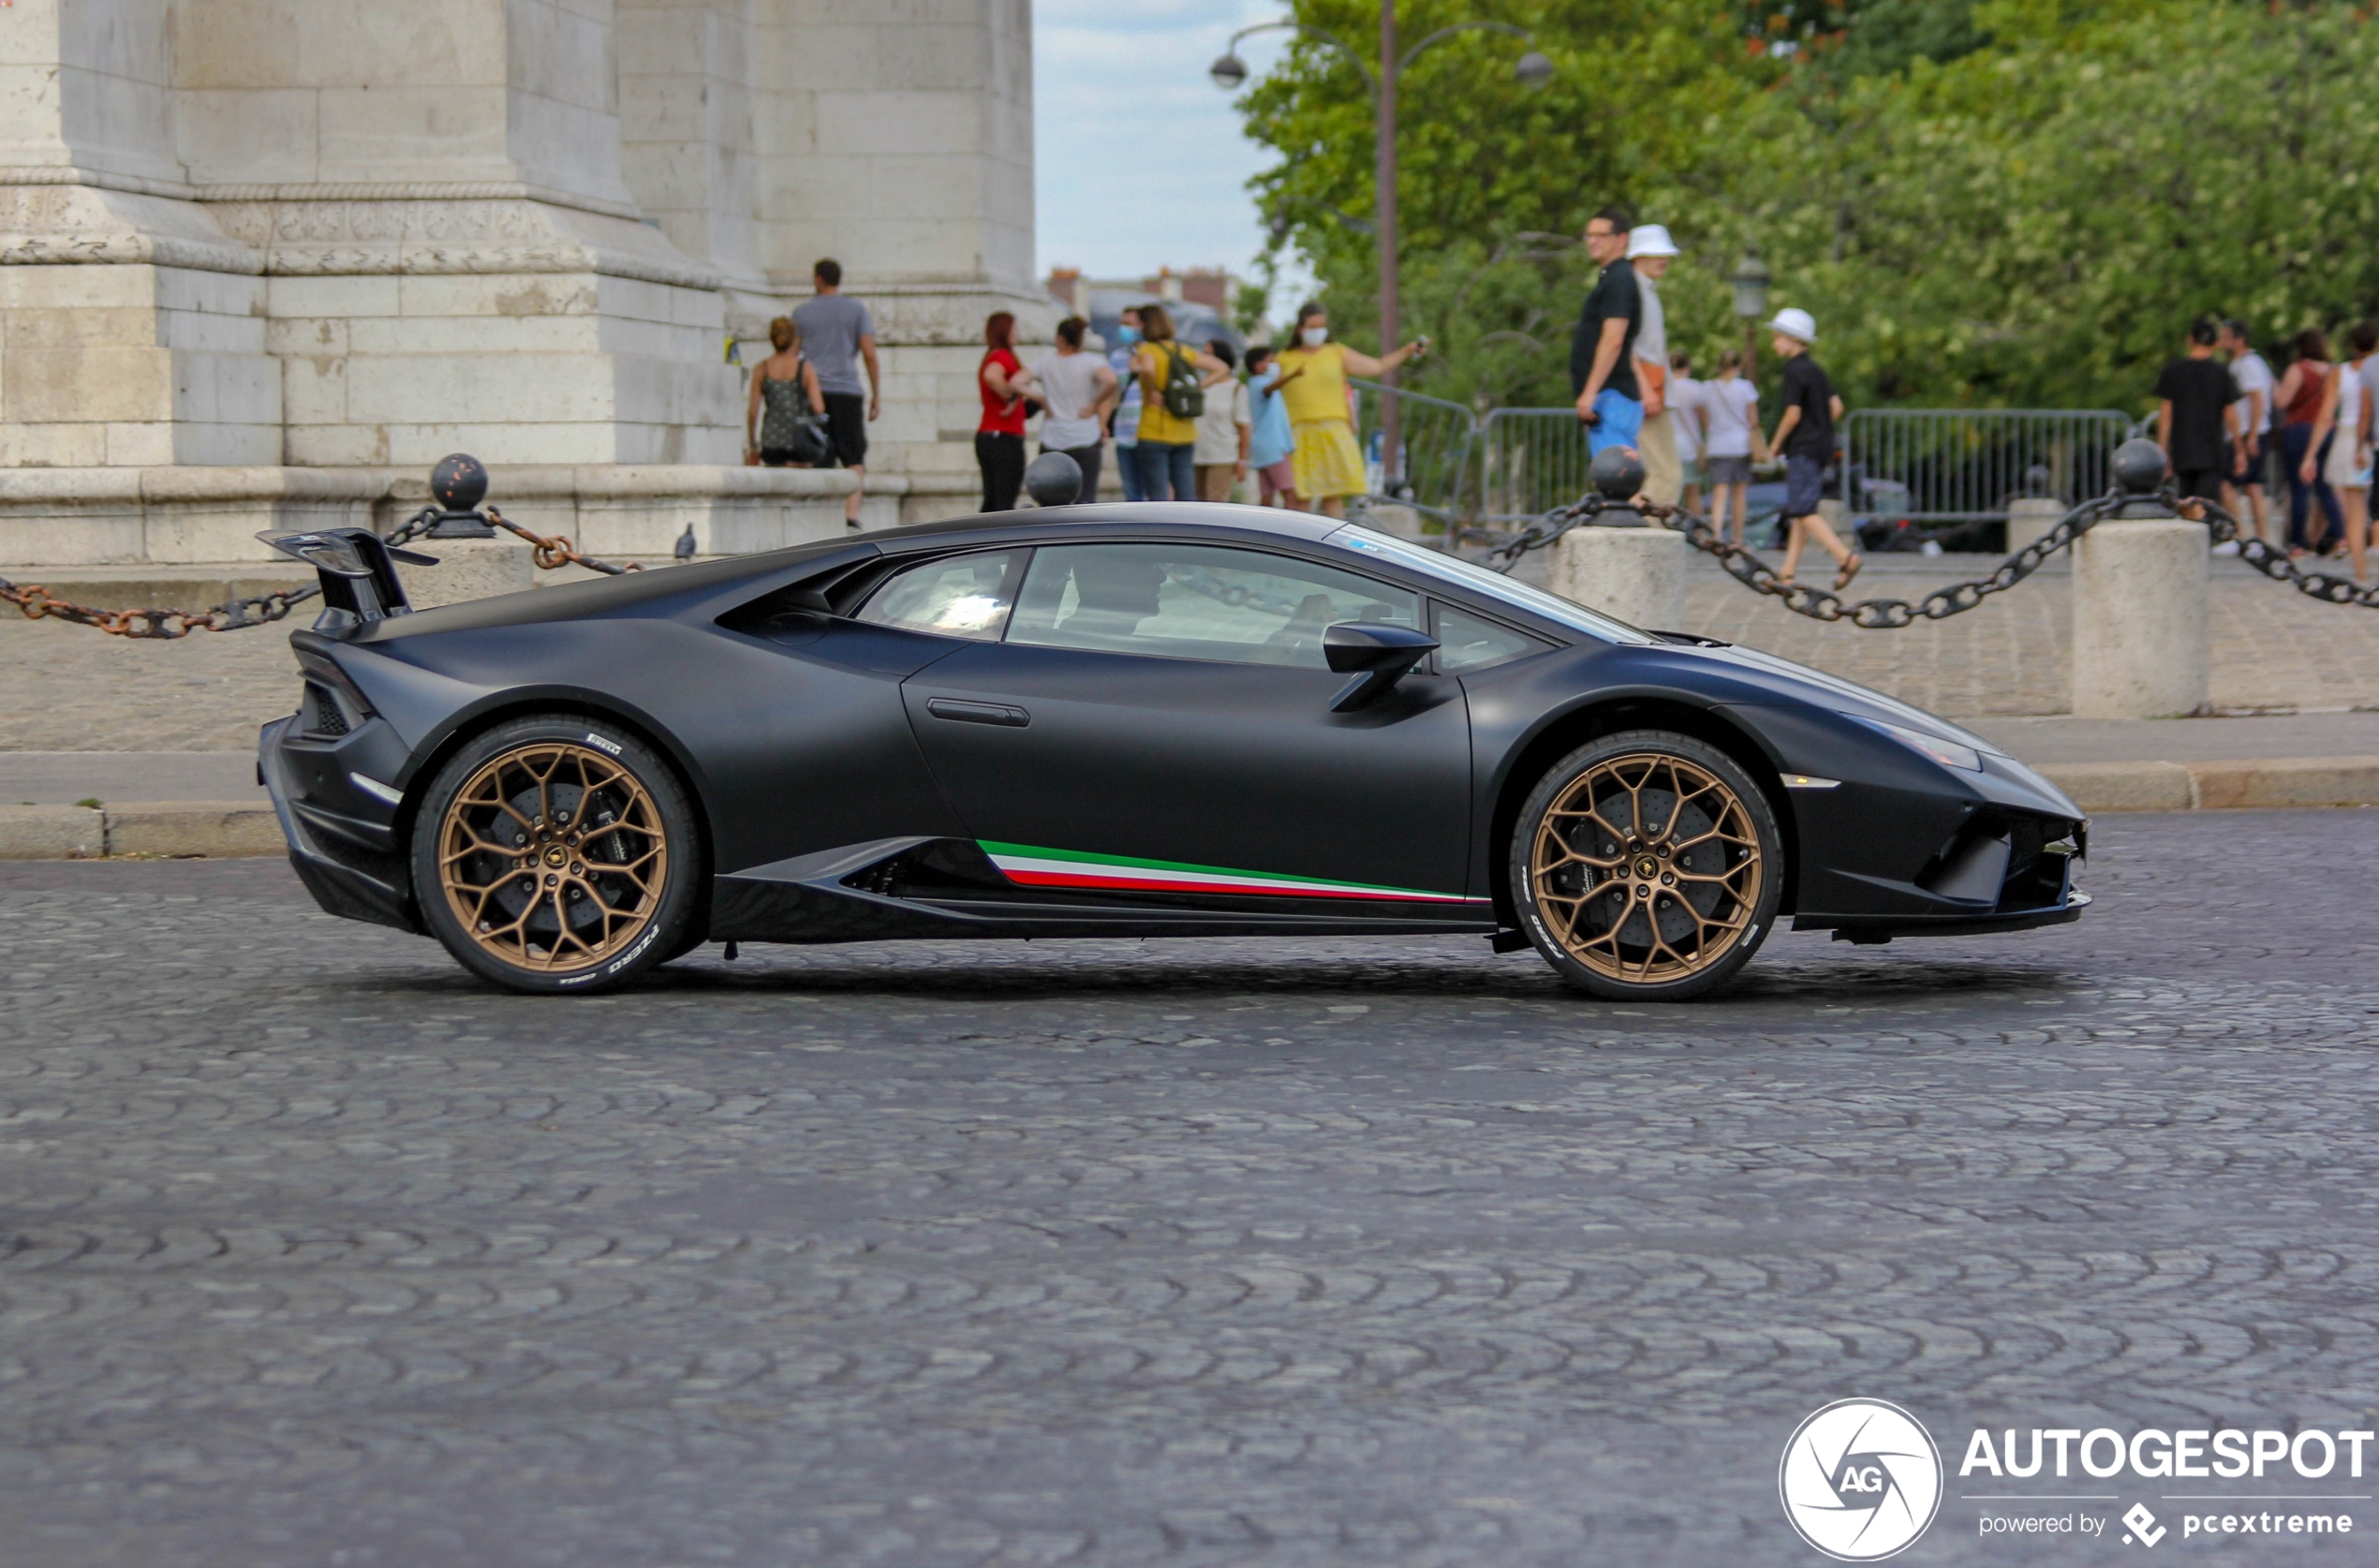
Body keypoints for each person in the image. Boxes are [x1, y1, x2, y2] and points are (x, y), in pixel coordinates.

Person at [1275, 302, 1426, 518]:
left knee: (1333, 496)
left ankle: (1334, 547)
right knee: (1300, 498)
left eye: (1321, 326)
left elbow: (1377, 366)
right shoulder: (1284, 359)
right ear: (1300, 329)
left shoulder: (1336, 353)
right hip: (1298, 433)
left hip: (1333, 429)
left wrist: (1407, 350)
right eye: (1312, 327)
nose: (1317, 332)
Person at [1764, 307, 1859, 589]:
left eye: (1777, 337)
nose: (1774, 343)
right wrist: (1819, 426)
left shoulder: (1794, 370)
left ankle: (1845, 557)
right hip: (1822, 446)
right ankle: (1787, 572)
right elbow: (1836, 407)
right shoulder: (1816, 370)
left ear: (1792, 339)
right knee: (1799, 510)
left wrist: (1775, 444)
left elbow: (1792, 414)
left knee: (1804, 511)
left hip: (1803, 447)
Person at [791, 259, 879, 527]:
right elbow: (869, 354)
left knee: (819, 453)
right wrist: (877, 394)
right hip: (848, 391)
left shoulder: (802, 312)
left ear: (819, 279)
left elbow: (794, 355)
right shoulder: (856, 310)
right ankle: (851, 515)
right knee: (854, 455)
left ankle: (821, 514)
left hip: (814, 391)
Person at [1125, 304, 1231, 502]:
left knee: (1158, 494)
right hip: (1185, 432)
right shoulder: (1183, 350)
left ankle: (1160, 532)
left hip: (1154, 431)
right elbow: (1221, 368)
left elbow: (1147, 370)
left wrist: (1151, 390)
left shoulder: (1148, 349)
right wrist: (1197, 387)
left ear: (1145, 325)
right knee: (1185, 494)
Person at [1016, 316, 1116, 506]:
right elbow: (1110, 381)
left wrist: (1040, 398)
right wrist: (1095, 404)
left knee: (1050, 500)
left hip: (1053, 436)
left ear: (1059, 339)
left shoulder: (1045, 362)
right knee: (1086, 499)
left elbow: (1017, 382)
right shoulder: (1091, 361)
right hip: (1084, 435)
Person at [1569, 207, 1643, 459]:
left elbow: (1613, 339)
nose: (1593, 241)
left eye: (1601, 235)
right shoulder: (1611, 277)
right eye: (1589, 235)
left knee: (1617, 477)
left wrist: (1589, 392)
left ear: (1621, 239)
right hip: (1609, 398)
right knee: (1616, 482)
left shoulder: (1619, 279)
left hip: (1612, 398)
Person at [2304, 319, 2375, 580]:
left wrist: (2310, 454)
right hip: (2371, 440)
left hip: (2348, 441)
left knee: (2355, 511)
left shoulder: (2340, 373)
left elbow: (2325, 416)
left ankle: (2361, 571)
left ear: (2352, 345)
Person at [2154, 317, 2239, 505]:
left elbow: (2166, 415)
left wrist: (2162, 451)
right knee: (2207, 503)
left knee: (2186, 500)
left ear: (2190, 340)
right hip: (2211, 449)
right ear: (2216, 344)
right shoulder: (2221, 372)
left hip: (2183, 448)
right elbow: (2231, 416)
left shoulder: (2173, 371)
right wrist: (2239, 449)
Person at [1626, 223, 1682, 504]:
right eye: (1655, 252)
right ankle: (1650, 542)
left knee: (1653, 475)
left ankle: (1633, 534)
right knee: (1666, 475)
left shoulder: (1646, 290)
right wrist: (1646, 390)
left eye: (1665, 253)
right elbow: (1626, 347)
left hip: (1653, 390)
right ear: (1638, 256)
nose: (1664, 259)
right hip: (1646, 392)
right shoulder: (1634, 291)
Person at [2276, 328, 2343, 556]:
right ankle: (2340, 534)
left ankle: (2298, 542)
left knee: (2299, 489)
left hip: (2300, 429)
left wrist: (2277, 390)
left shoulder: (2298, 369)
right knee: (2326, 487)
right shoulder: (2334, 371)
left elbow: (2282, 401)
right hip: (2329, 431)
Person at [2220, 319, 2274, 544]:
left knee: (2226, 482)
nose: (2222, 342)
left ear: (2238, 339)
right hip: (2249, 431)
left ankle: (2238, 533)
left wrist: (2251, 435)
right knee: (2253, 486)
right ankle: (2262, 536)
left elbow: (2257, 400)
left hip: (2245, 431)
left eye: (2226, 337)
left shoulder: (2248, 365)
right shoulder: (2245, 363)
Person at [744, 316, 823, 467]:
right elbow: (819, 407)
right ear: (794, 339)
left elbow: (753, 411)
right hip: (800, 442)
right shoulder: (805, 368)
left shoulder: (761, 369)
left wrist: (753, 445)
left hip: (772, 443)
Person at [1700, 348, 1761, 546]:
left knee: (1719, 491)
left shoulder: (1708, 387)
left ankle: (1716, 533)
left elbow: (1705, 419)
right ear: (1738, 366)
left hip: (1717, 444)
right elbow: (1753, 420)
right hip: (1740, 444)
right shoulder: (1745, 387)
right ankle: (1738, 537)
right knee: (1739, 494)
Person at [974, 311, 1028, 511]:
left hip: (990, 435)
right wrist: (1010, 395)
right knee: (1004, 500)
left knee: (992, 500)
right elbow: (992, 376)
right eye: (1014, 329)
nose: (1017, 333)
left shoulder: (990, 355)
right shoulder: (1002, 356)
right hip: (1004, 436)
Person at [1243, 344, 1303, 509]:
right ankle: (1289, 528)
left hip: (1263, 447)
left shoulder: (1256, 384)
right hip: (1273, 447)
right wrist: (1293, 375)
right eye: (1271, 361)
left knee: (1267, 495)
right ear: (1259, 365)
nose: (1275, 364)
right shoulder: (1258, 383)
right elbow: (1269, 389)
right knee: (1290, 493)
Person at [1192, 338, 1252, 501]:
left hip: (1221, 456)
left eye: (1207, 354)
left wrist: (1242, 460)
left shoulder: (1236, 389)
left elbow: (1244, 427)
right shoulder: (1200, 386)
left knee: (1215, 502)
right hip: (1196, 453)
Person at [1107, 305, 1145, 501]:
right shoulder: (1117, 357)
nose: (1123, 328)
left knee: (1155, 494)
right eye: (1122, 324)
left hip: (1148, 433)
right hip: (1124, 432)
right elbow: (1112, 394)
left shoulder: (1154, 354)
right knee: (1131, 493)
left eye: (1128, 324)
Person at [1669, 349, 1707, 516]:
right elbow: (1704, 419)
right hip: (1689, 445)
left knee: (1669, 490)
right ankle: (1697, 532)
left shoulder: (1663, 387)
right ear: (1687, 367)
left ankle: (1667, 525)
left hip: (1667, 443)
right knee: (1693, 492)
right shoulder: (1695, 388)